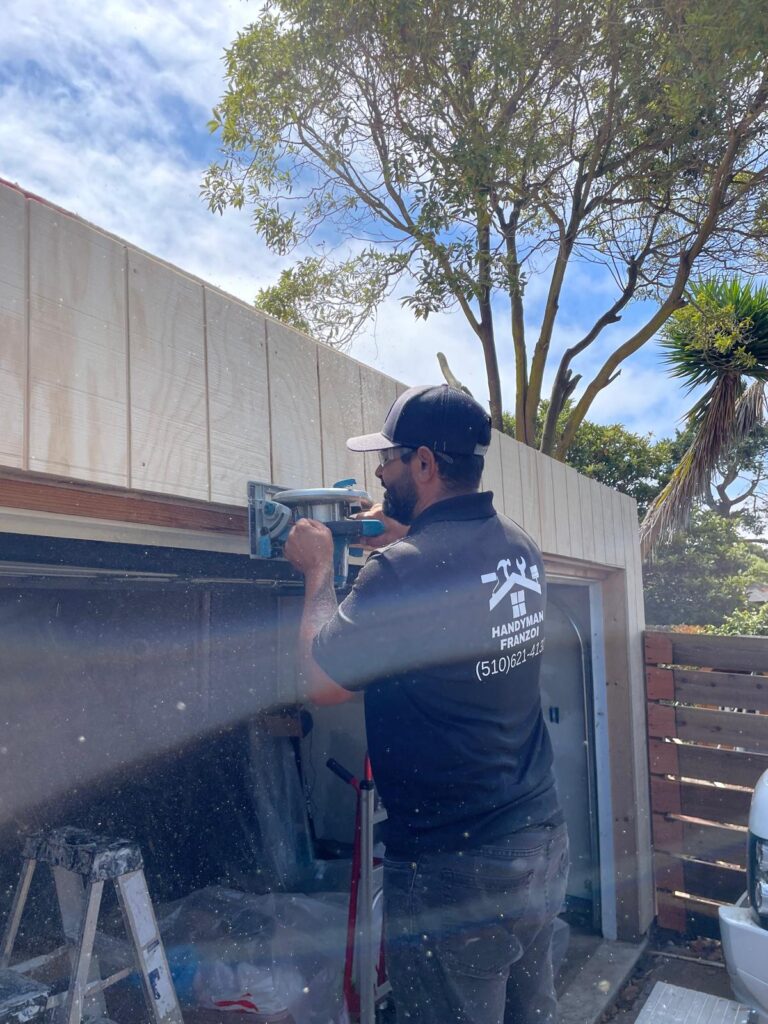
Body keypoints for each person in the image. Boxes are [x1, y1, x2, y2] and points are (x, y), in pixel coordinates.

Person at [284, 384, 568, 1024]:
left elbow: (323, 684)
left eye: (387, 460)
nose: (379, 474)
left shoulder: (401, 572)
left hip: (456, 868)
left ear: (424, 464)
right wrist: (408, 538)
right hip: (539, 843)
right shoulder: (518, 546)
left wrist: (319, 573)